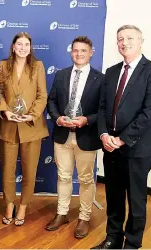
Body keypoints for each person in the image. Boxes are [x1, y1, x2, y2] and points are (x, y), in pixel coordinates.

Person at [92, 25, 151, 249]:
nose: (124, 42)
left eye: (129, 38)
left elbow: (149, 114)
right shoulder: (112, 72)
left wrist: (122, 139)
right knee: (113, 197)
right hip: (110, 147)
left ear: (141, 40)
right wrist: (104, 135)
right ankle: (113, 239)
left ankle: (132, 244)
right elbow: (103, 107)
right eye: (120, 39)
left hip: (137, 149)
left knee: (136, 200)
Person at [46, 36, 104, 238]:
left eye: (83, 51)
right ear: (71, 52)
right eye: (75, 50)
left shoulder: (101, 78)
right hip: (62, 134)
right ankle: (62, 213)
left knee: (86, 179)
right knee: (63, 176)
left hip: (86, 136)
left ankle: (84, 217)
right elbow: (51, 101)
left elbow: (102, 110)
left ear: (91, 53)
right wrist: (58, 118)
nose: (79, 54)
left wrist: (86, 120)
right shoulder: (61, 75)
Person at [0, 32, 49, 226]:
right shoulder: (3, 65)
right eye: (19, 44)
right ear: (14, 47)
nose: (23, 47)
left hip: (31, 126)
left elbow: (42, 95)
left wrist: (32, 114)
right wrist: (5, 111)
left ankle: (23, 206)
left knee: (29, 171)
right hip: (8, 125)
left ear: (30, 47)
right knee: (7, 170)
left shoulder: (38, 66)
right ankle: (9, 204)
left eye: (26, 44)